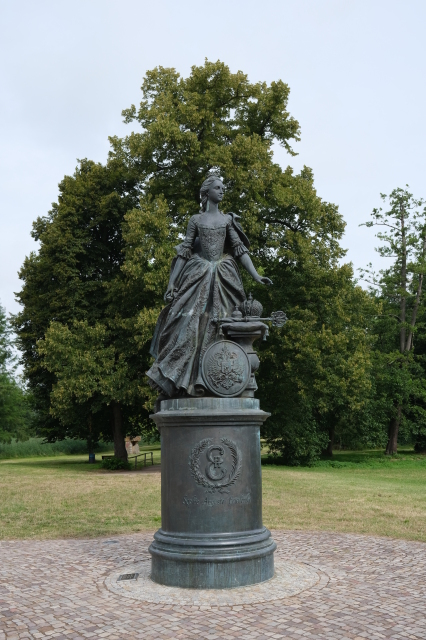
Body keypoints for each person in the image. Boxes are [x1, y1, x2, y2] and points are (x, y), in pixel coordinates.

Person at [146, 175, 272, 397]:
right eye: (217, 187)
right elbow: (185, 251)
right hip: (198, 273)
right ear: (207, 193)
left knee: (224, 324)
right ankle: (186, 381)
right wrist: (172, 282)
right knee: (187, 323)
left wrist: (256, 275)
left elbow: (239, 249)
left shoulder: (227, 221)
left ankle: (216, 379)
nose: (222, 190)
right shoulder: (195, 220)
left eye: (223, 187)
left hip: (224, 275)